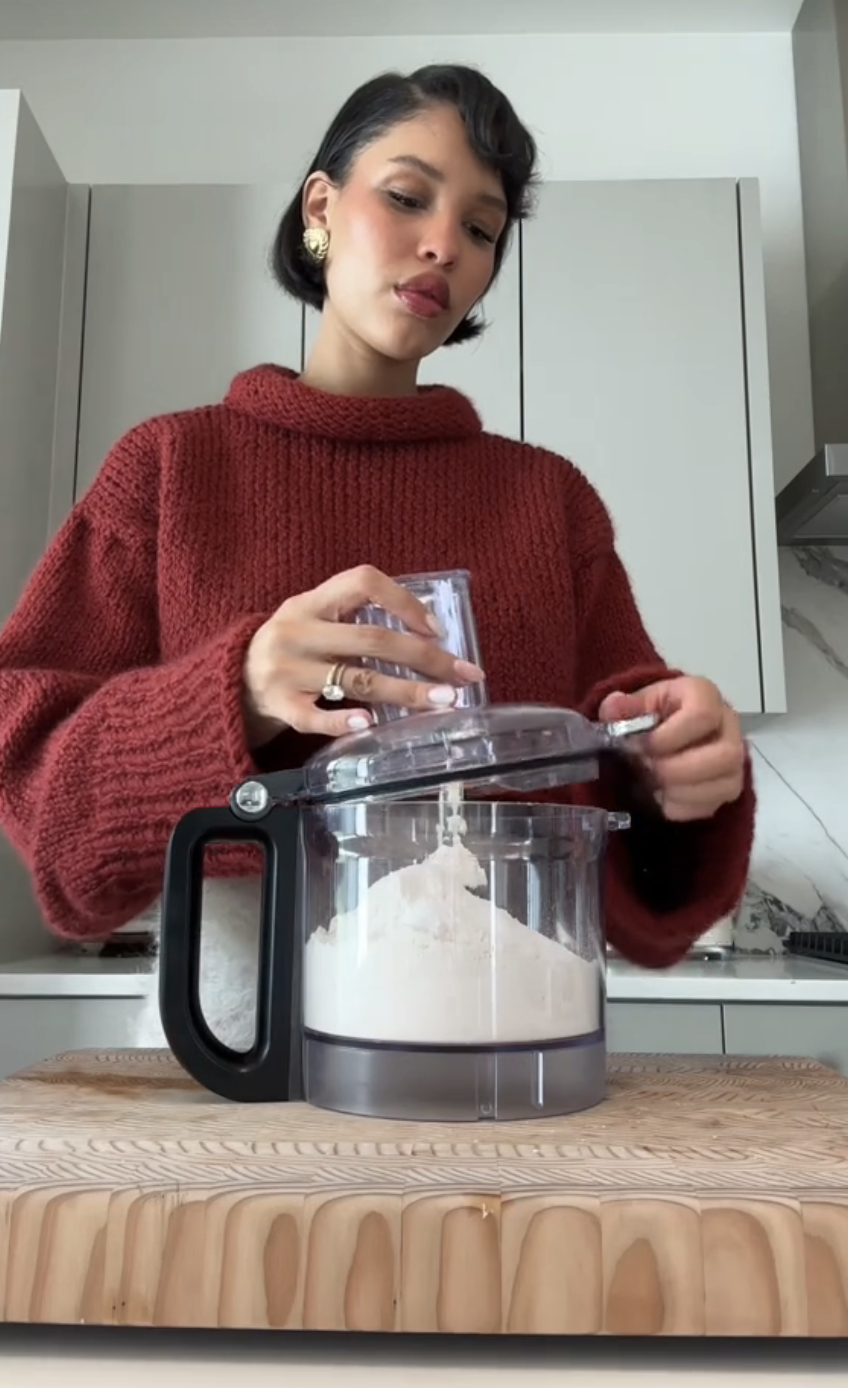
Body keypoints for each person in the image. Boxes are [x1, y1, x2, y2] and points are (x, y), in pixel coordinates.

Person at [0, 64, 753, 1047]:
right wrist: (232, 692)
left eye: (482, 229)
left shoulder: (548, 502)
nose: (443, 241)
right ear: (320, 205)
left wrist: (676, 768)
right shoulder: (167, 468)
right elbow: (41, 792)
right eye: (405, 196)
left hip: (507, 1039)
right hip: (235, 1047)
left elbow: (627, 809)